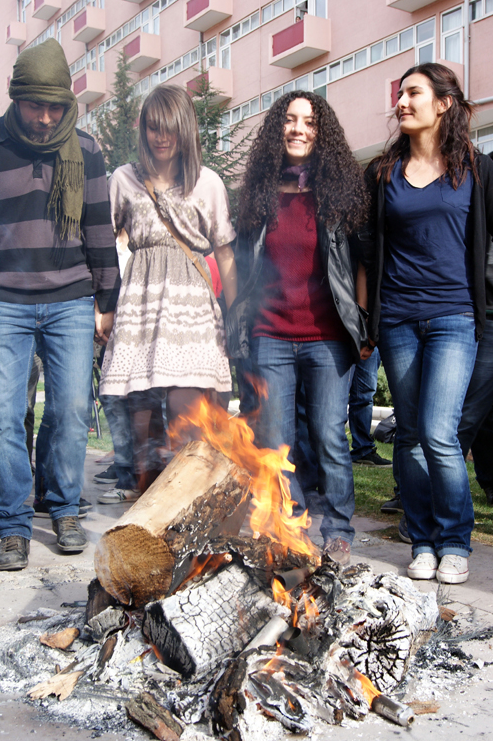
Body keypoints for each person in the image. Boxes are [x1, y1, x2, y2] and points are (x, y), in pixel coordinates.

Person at [360, 63, 493, 584]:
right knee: (410, 433)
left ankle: (455, 539)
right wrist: (369, 324)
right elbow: (370, 253)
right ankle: (422, 541)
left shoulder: (475, 170)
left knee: (439, 433)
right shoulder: (383, 173)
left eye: (413, 93)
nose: (401, 102)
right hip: (397, 320)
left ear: (443, 103)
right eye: (399, 94)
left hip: (454, 318)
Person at [227, 90, 370, 565]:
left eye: (309, 122)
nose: (298, 129)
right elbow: (243, 265)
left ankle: (339, 530)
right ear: (277, 129)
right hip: (270, 336)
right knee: (275, 438)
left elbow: (360, 265)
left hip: (327, 339)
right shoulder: (259, 194)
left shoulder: (338, 194)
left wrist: (362, 325)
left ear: (321, 131)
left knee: (330, 436)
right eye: (290, 120)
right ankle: (290, 525)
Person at [0, 39, 120, 570]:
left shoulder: (87, 150)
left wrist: (106, 301)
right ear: (16, 97)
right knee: (5, 414)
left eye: (55, 106)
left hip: (72, 297)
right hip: (6, 300)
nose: (46, 118)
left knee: (72, 411)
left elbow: (100, 229)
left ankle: (64, 507)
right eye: (35, 105)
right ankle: (11, 523)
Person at [99, 84, 236, 497]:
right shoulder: (124, 179)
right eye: (154, 128)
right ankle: (146, 504)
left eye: (170, 128)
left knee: (187, 413)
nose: (162, 137)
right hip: (140, 300)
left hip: (190, 305)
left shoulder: (208, 183)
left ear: (186, 131)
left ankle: (188, 504)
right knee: (140, 414)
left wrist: (236, 313)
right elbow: (104, 244)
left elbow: (226, 254)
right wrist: (102, 306)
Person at [348, 348, 392, 467]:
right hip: (341, 335)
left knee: (365, 394)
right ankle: (329, 451)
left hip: (369, 337)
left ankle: (363, 450)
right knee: (335, 395)